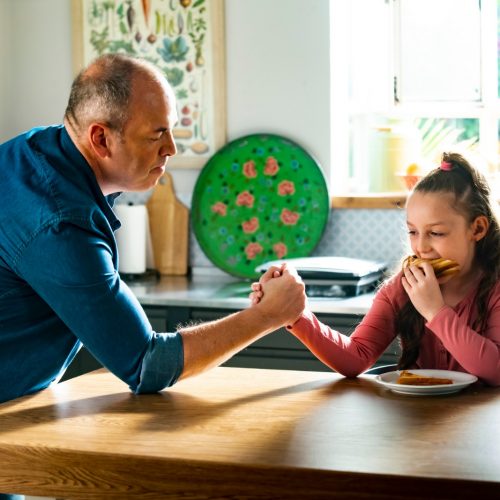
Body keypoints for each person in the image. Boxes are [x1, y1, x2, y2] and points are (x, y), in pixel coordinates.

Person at [0, 53, 306, 407]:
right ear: (100, 139)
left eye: (172, 129)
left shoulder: (34, 152)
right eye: (157, 135)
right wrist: (267, 315)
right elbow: (147, 364)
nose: (171, 149)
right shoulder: (61, 223)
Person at [251, 152, 500, 386]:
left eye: (436, 233)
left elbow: (496, 370)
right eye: (413, 231)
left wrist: (435, 312)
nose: (421, 247)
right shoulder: (402, 288)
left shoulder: (495, 287)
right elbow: (356, 357)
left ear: (477, 229)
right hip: (423, 421)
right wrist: (296, 314)